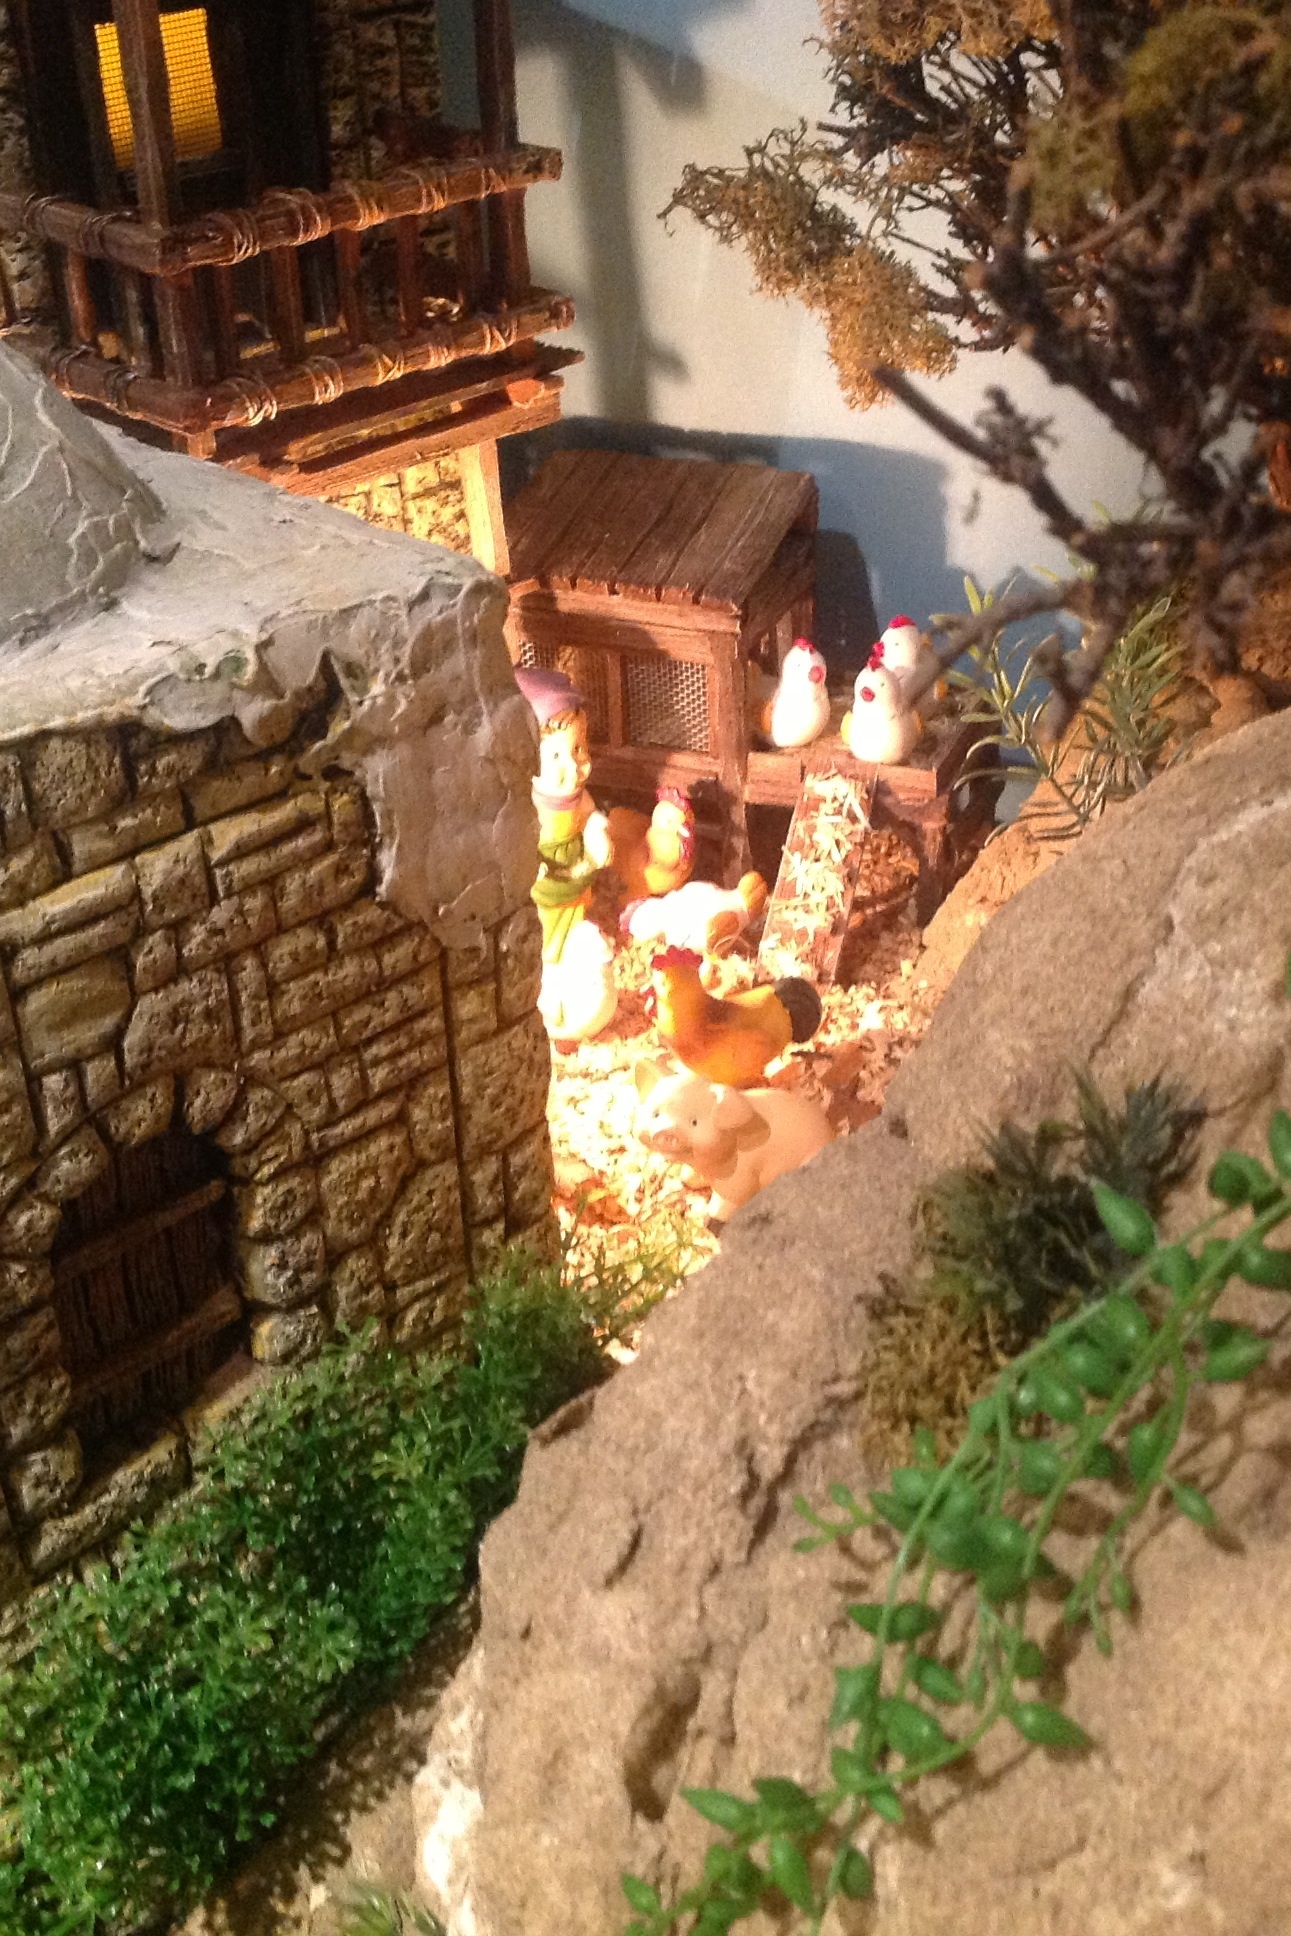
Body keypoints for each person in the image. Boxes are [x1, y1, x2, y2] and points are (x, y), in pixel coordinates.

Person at [514, 663, 613, 963]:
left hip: (576, 875)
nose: (572, 765)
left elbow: (590, 814)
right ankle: (547, 961)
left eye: (579, 748)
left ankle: (575, 954)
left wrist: (596, 829)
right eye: (556, 755)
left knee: (577, 913)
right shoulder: (530, 803)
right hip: (546, 880)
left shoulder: (578, 798)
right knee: (545, 924)